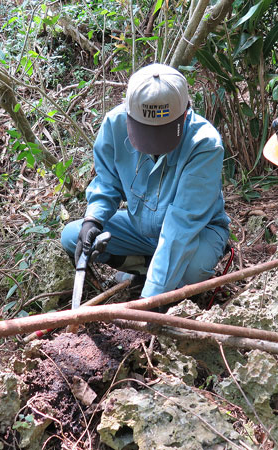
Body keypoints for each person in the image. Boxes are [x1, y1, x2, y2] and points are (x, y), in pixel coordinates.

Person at [61, 63, 230, 299]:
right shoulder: (114, 124)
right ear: (128, 113)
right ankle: (146, 268)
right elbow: (107, 181)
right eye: (144, 131)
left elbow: (182, 225)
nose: (153, 144)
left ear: (185, 113)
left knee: (194, 268)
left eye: (163, 132)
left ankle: (163, 281)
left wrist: (150, 300)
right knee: (73, 235)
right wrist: (94, 218)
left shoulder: (204, 144)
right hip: (141, 229)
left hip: (196, 233)